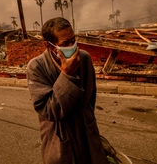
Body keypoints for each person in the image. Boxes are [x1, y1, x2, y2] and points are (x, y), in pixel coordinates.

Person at [26, 17, 109, 164]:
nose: (72, 46)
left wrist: (87, 117)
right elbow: (50, 111)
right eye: (65, 43)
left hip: (86, 127)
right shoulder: (36, 67)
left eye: (73, 40)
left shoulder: (84, 58)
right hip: (58, 132)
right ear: (49, 46)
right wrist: (67, 74)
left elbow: (91, 98)